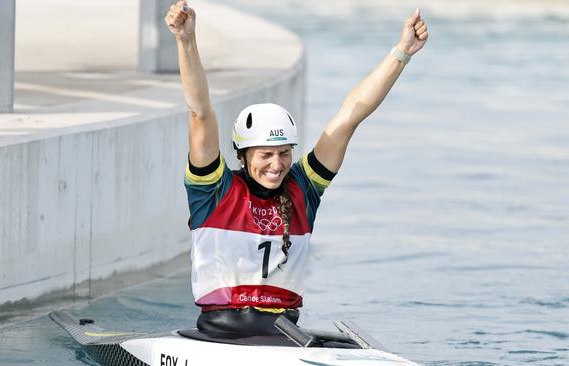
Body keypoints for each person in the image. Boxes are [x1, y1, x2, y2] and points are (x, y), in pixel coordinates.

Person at [166, 1, 428, 337]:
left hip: (286, 339)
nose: (277, 165)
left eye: (284, 153)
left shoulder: (303, 190)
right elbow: (200, 113)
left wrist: (402, 52)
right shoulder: (212, 191)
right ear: (243, 156)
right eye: (265, 155)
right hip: (218, 336)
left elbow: (350, 116)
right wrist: (186, 42)